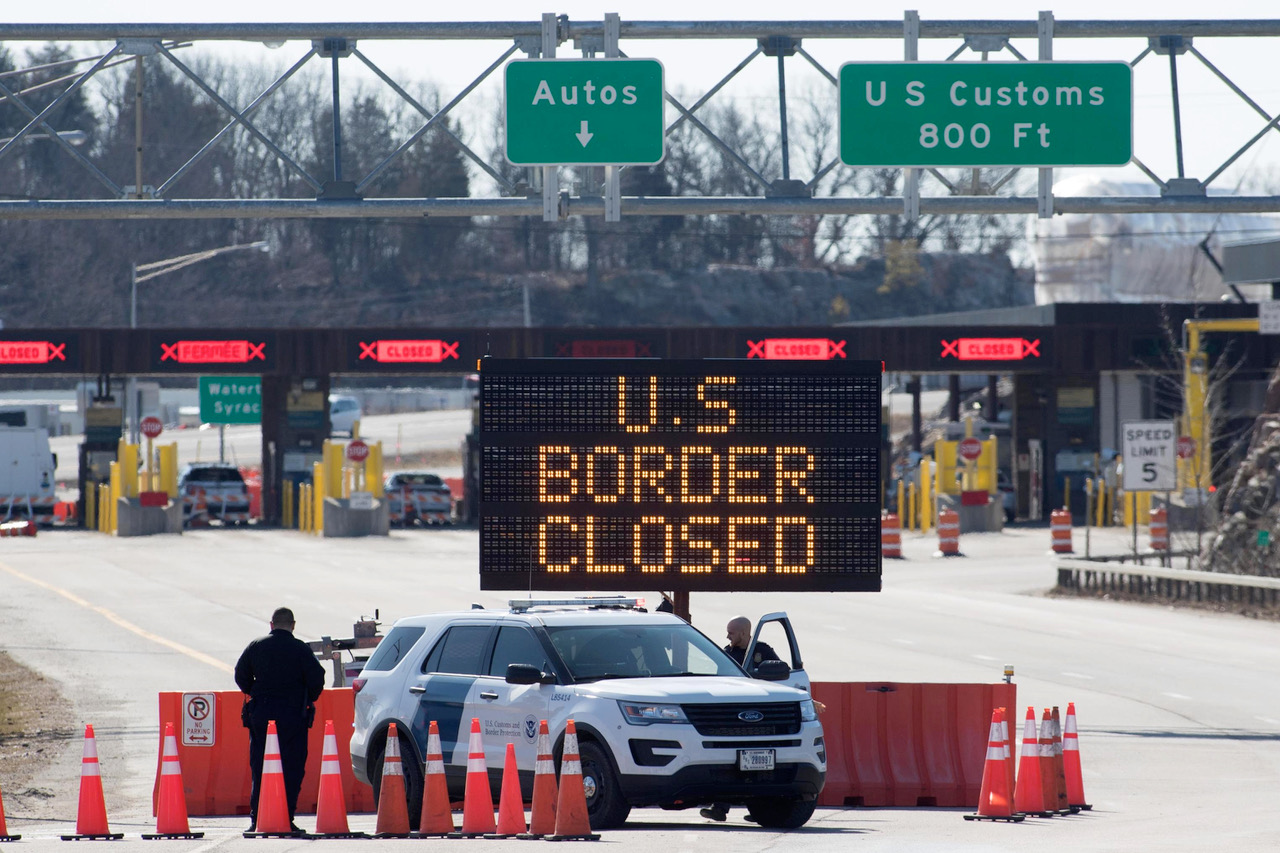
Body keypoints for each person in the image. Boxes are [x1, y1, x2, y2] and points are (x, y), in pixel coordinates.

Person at [235, 607, 326, 833]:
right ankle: (286, 817)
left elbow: (240, 675)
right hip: (292, 715)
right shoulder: (301, 649)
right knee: (292, 766)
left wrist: (255, 691)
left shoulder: (256, 646)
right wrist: (306, 696)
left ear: (271, 624)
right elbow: (317, 679)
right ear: (293, 625)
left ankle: (258, 819)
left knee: (260, 766)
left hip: (261, 714)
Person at [701, 616, 782, 823]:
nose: (727, 636)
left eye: (732, 632)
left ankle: (759, 810)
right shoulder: (726, 654)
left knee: (759, 767)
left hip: (760, 718)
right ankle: (719, 808)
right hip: (733, 717)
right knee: (728, 763)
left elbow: (782, 674)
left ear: (745, 633)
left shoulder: (762, 651)